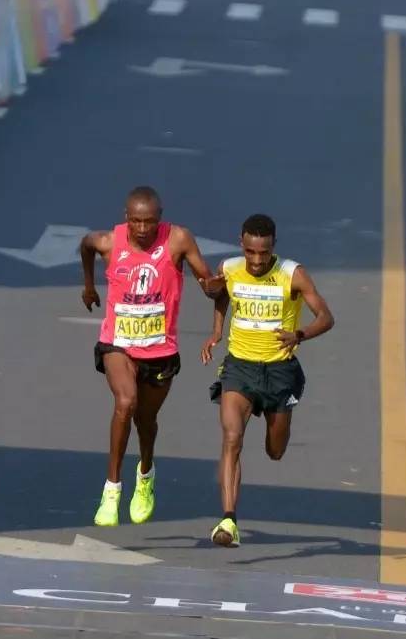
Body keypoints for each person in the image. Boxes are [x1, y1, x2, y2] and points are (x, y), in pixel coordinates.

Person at [78, 187, 222, 528]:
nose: (143, 229)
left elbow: (206, 279)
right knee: (125, 403)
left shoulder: (178, 239)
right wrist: (88, 285)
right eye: (136, 222)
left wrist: (211, 286)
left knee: (146, 421)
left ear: (161, 218)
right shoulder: (108, 242)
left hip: (160, 349)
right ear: (126, 217)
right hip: (118, 344)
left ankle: (146, 474)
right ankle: (111, 489)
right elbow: (85, 245)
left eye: (150, 222)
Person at [201, 214, 334, 548]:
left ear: (273, 245)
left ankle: (276, 422)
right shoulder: (230, 267)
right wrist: (217, 331)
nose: (256, 261)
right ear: (241, 245)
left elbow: (326, 317)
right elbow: (222, 295)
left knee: (275, 451)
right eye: (250, 252)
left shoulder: (293, 274)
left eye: (263, 253)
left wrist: (299, 334)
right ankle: (228, 520)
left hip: (278, 372)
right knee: (232, 438)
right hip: (239, 368)